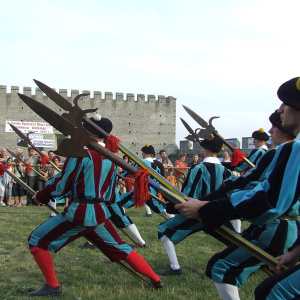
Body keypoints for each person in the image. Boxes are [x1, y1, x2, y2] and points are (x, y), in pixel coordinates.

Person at [175, 77, 300, 300]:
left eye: (286, 103)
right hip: (282, 226)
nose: (280, 110)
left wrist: (206, 207)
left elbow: (267, 199)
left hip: (280, 224)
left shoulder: (289, 151)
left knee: (270, 290)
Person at [27, 114, 163, 297]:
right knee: (122, 248)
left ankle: (52, 286)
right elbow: (108, 193)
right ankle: (156, 280)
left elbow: (62, 183)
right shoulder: (113, 159)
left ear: (89, 132)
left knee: (36, 241)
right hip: (100, 212)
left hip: (79, 213)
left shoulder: (81, 154)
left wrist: (42, 196)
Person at [157, 136, 232, 276]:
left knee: (163, 229)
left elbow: (188, 195)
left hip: (197, 214)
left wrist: (172, 206)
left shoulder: (198, 168)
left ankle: (175, 267)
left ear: (206, 149)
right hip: (219, 214)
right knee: (236, 242)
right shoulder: (227, 172)